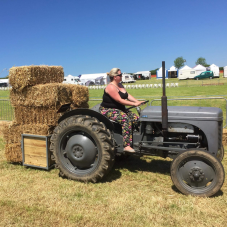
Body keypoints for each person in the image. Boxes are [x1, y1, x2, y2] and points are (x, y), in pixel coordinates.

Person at [99, 68, 144, 153]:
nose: (122, 76)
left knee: (136, 119)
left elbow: (127, 95)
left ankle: (139, 139)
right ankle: (126, 145)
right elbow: (120, 100)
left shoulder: (120, 85)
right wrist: (134, 104)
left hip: (119, 109)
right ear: (115, 77)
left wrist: (137, 101)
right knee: (125, 120)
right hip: (108, 110)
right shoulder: (111, 87)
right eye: (120, 75)